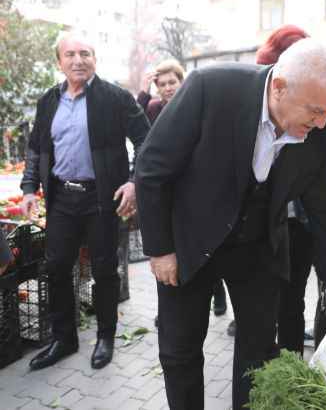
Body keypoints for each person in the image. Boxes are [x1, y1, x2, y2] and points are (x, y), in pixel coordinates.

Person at [135, 38, 326, 410]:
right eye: (314, 111)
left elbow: (324, 212)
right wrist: (160, 249)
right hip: (189, 239)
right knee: (180, 349)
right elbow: (152, 169)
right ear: (280, 87)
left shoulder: (323, 129)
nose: (319, 123)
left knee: (259, 352)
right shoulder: (211, 89)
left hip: (257, 246)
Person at [20, 34, 150, 371]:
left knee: (104, 269)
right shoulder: (48, 100)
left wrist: (134, 183)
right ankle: (64, 339)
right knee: (57, 267)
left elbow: (147, 139)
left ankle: (106, 336)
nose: (78, 60)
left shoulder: (116, 97)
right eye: (70, 54)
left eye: (85, 53)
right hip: (62, 197)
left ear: (95, 58)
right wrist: (30, 188)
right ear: (59, 62)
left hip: (102, 199)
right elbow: (36, 146)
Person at [246, 25, 326, 355]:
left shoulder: (321, 103)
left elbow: (321, 178)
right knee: (307, 289)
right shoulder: (314, 96)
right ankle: (302, 356)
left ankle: (323, 356)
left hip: (322, 206)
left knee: (315, 289)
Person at [137, 60, 228, 322]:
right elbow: (133, 120)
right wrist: (144, 91)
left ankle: (217, 292)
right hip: (167, 190)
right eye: (161, 84)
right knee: (171, 248)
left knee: (204, 250)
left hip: (195, 188)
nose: (167, 88)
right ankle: (169, 305)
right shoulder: (154, 109)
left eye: (172, 82)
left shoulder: (197, 106)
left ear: (182, 82)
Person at [136, 59, 185, 124]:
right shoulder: (152, 109)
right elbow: (135, 124)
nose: (168, 89)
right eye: (162, 85)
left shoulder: (193, 107)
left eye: (172, 83)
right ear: (157, 87)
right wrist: (143, 94)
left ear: (181, 82)